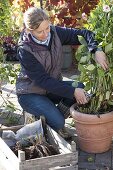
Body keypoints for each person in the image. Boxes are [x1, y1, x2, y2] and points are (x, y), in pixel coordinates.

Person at [16, 7, 108, 137]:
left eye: (47, 28)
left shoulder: (55, 33)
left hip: (51, 89)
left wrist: (96, 50)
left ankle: (50, 118)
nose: (46, 34)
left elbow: (85, 33)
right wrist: (72, 92)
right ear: (28, 30)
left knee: (79, 87)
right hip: (30, 93)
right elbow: (43, 81)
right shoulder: (25, 49)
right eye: (39, 32)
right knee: (59, 121)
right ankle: (53, 122)